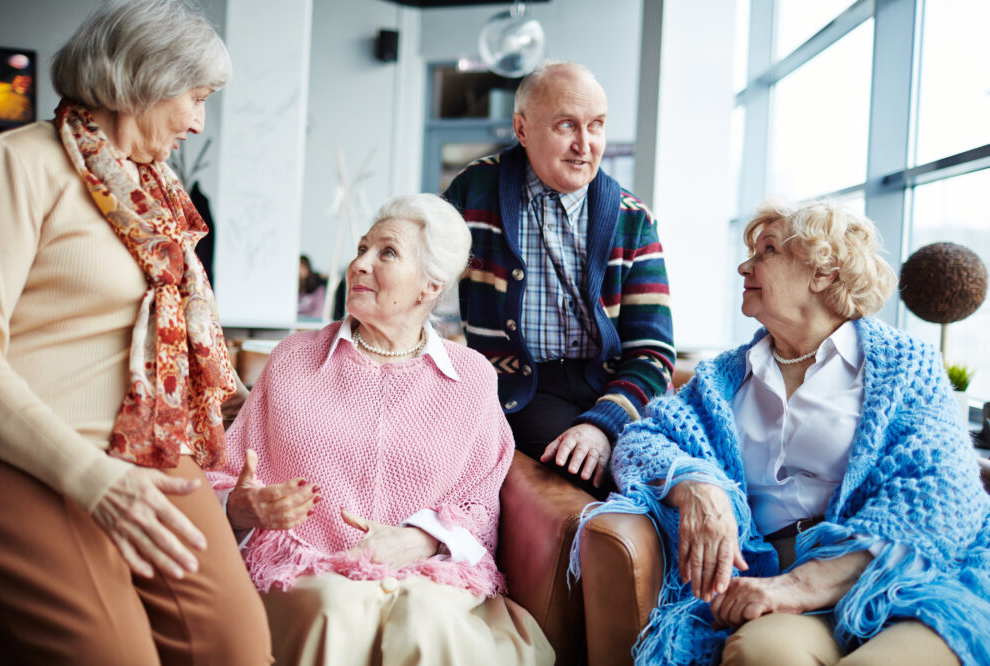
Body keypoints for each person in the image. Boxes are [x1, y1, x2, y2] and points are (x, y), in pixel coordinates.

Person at [576, 200, 990, 665]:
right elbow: (641, 440)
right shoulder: (724, 378)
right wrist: (695, 483)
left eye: (767, 250)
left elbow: (939, 497)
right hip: (771, 581)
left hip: (903, 579)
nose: (743, 265)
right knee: (761, 652)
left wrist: (799, 587)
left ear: (823, 274)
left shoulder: (905, 366)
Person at [0, 1, 271, 663]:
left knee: (237, 646)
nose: (200, 122)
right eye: (195, 97)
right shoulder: (19, 163)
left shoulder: (159, 190)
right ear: (144, 79)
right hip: (34, 453)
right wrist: (90, 479)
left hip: (151, 444)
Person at [207, 194, 554, 665]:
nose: (360, 264)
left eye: (386, 253)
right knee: (338, 607)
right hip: (310, 569)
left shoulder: (471, 377)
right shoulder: (292, 360)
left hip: (428, 575)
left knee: (427, 618)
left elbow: (480, 498)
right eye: (361, 249)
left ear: (430, 285)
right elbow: (223, 476)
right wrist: (243, 508)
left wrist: (424, 538)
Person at [443, 61, 675, 496]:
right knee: (594, 480)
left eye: (597, 126)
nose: (584, 145)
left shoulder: (633, 219)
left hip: (612, 390)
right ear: (522, 128)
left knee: (684, 479)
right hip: (521, 388)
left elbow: (653, 352)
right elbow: (422, 276)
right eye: (567, 125)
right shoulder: (473, 192)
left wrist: (604, 424)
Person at [297, 254, 327, 320]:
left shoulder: (319, 290)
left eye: (302, 267)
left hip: (311, 326)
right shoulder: (295, 291)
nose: (299, 271)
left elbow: (318, 313)